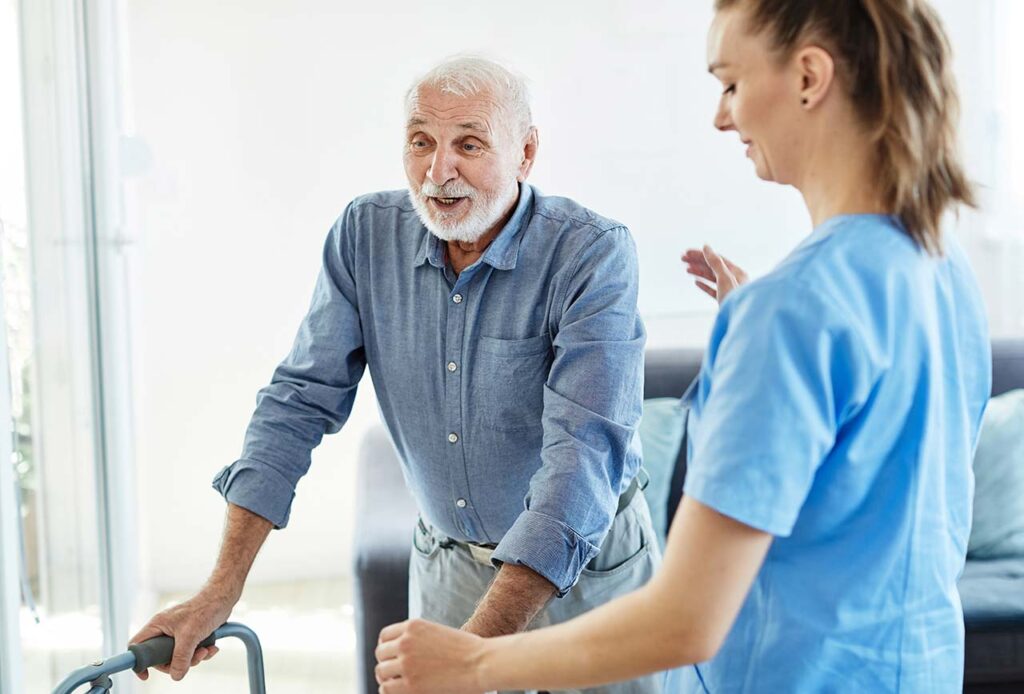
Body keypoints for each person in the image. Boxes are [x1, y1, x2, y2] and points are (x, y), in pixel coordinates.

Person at [374, 1, 991, 692]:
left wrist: (475, 662)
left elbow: (686, 620)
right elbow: (885, 495)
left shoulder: (790, 312)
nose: (722, 117)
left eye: (730, 83)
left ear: (810, 77)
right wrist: (773, 344)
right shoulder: (937, 264)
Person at [129, 56, 665, 693]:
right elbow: (297, 403)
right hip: (449, 567)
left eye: (468, 144)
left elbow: (580, 465)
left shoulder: (591, 253)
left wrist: (473, 655)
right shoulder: (364, 235)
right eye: (421, 143)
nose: (438, 172)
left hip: (590, 574)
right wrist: (220, 589)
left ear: (525, 152)